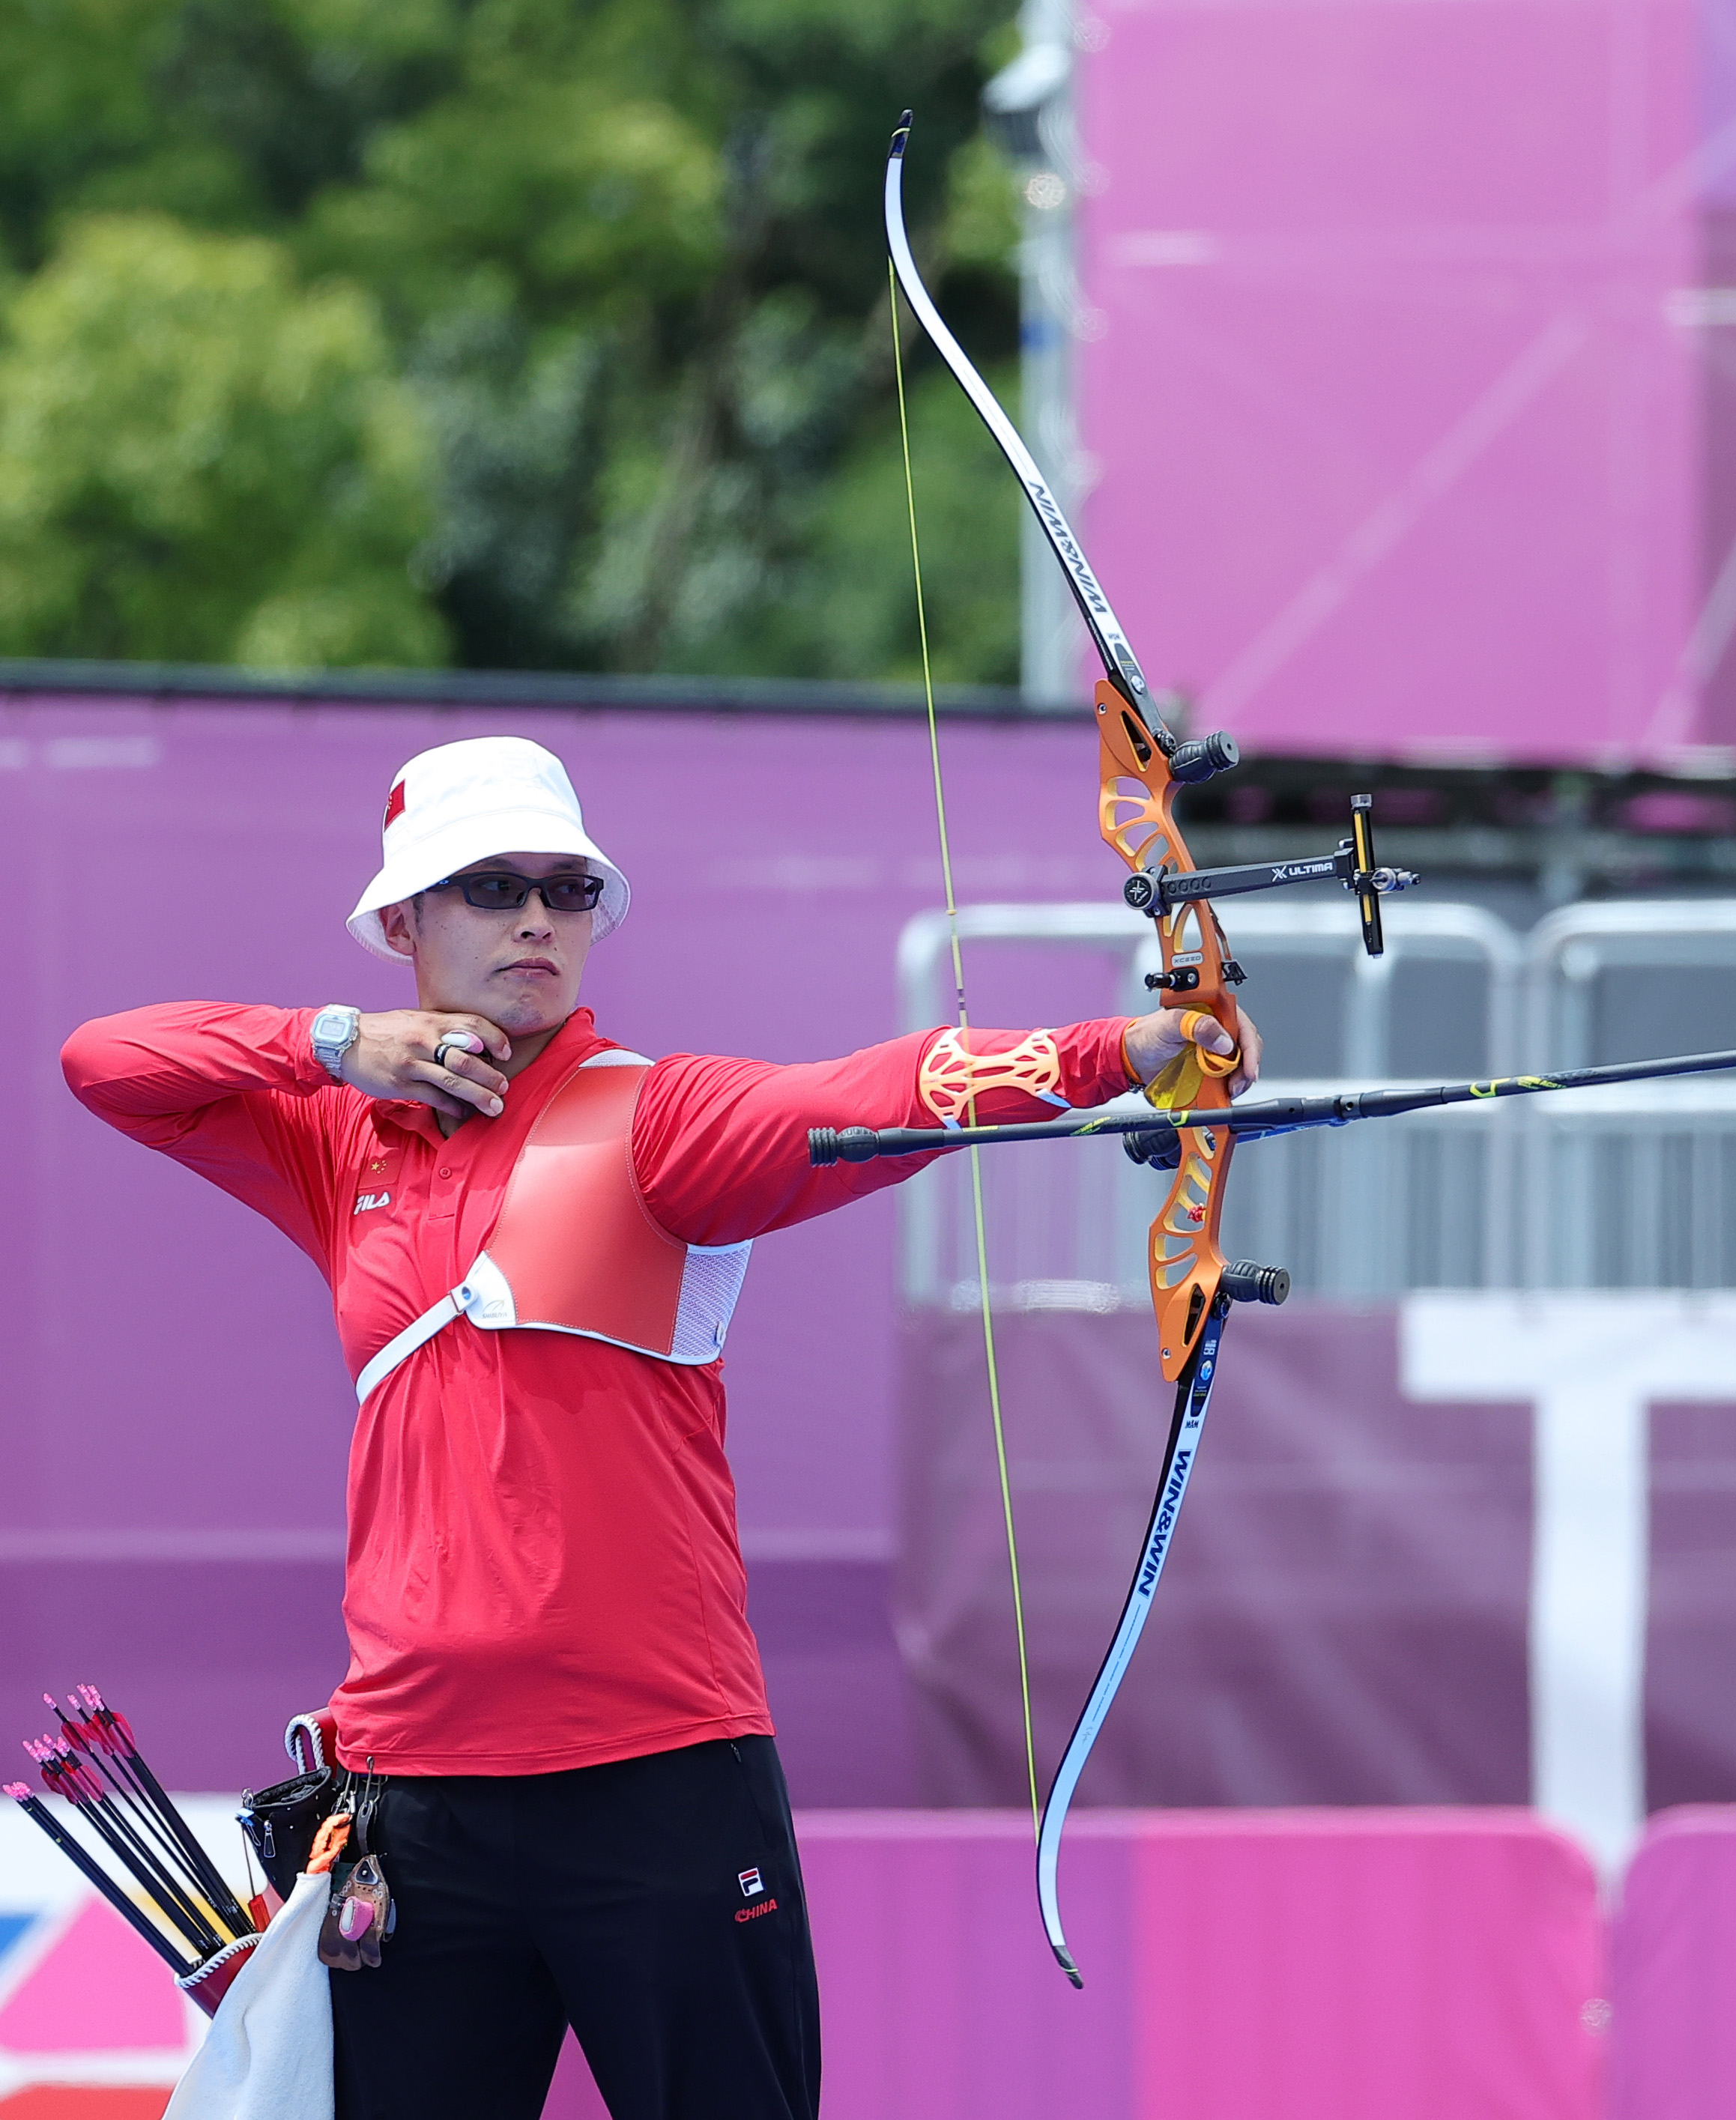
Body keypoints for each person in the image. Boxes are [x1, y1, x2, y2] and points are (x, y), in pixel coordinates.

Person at [59, 734, 1253, 2120]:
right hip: (415, 1797)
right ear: (401, 924)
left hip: (659, 1780)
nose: (536, 918)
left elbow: (868, 1091)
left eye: (566, 890)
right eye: (491, 885)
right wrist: (334, 1042)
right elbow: (105, 1062)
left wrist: (1128, 1049)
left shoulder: (657, 1119)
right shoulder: (340, 1144)